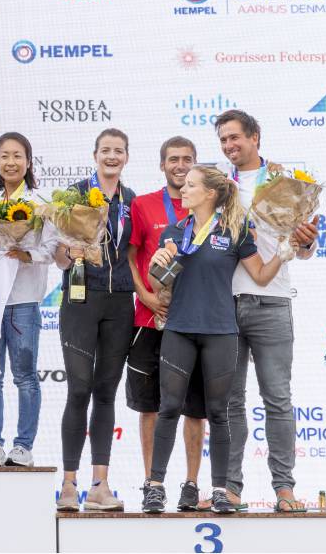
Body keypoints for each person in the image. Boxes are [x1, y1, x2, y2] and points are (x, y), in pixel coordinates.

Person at [143, 165, 292, 513]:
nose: (183, 189)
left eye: (190, 185)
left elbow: (260, 276)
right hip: (180, 329)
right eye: (184, 184)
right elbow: (159, 286)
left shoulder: (235, 230)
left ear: (209, 193)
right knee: (169, 407)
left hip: (221, 332)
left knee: (219, 412)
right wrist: (155, 266)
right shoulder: (174, 231)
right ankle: (154, 487)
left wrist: (283, 253)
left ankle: (221, 490)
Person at [214, 110, 319, 512]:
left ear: (255, 136)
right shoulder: (218, 184)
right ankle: (230, 488)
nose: (229, 145)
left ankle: (284, 489)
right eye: (224, 140)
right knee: (230, 402)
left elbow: (303, 248)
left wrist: (306, 241)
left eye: (235, 137)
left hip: (273, 300)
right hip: (224, 303)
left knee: (277, 399)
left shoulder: (285, 180)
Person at [0, 132, 60, 467]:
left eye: (17, 156)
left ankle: (23, 447)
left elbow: (50, 249)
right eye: (4, 156)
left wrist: (25, 254)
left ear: (28, 162)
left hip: (24, 300)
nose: (11, 162)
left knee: (25, 376)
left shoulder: (40, 203)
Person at [55, 129, 135, 511]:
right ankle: (69, 485)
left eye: (118, 151)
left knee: (106, 392)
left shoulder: (131, 201)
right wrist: (70, 253)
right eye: (106, 150)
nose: (112, 156)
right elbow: (57, 256)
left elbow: (134, 253)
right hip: (80, 298)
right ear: (95, 155)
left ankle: (99, 486)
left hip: (120, 302)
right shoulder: (73, 196)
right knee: (78, 390)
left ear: (126, 157)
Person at [126, 136, 206, 510]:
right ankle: (151, 483)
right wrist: (146, 296)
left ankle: (191, 484)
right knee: (150, 406)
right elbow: (131, 256)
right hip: (149, 320)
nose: (179, 165)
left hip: (193, 322)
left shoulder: (207, 207)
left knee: (195, 407)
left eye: (187, 159)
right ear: (162, 165)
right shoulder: (142, 204)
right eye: (173, 159)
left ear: (195, 164)